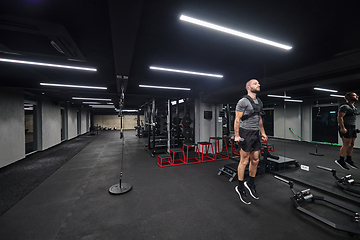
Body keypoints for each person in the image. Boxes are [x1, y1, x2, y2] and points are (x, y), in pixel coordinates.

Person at [234, 79, 267, 205]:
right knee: (244, 161)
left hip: (255, 134)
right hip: (245, 132)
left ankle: (251, 183)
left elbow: (258, 119)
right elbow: (237, 119)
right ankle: (240, 187)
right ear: (248, 87)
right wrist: (237, 135)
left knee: (256, 160)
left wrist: (262, 132)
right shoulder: (243, 101)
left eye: (258, 83)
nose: (258, 85)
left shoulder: (259, 102)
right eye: (255, 83)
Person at [336, 92, 359, 170]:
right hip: (346, 127)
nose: (357, 96)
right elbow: (339, 117)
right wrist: (342, 128)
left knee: (352, 144)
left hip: (352, 127)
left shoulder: (354, 107)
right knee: (347, 144)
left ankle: (349, 159)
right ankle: (341, 160)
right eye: (354, 95)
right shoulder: (344, 107)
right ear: (348, 97)